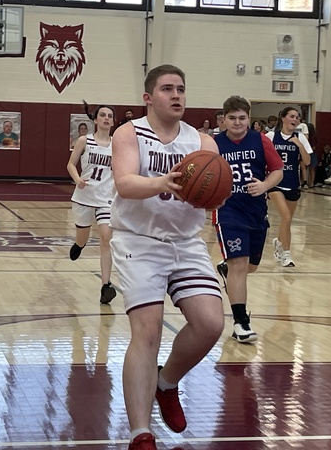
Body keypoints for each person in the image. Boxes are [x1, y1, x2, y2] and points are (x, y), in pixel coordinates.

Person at [110, 64, 224, 450]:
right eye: (167, 89)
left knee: (210, 324)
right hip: (138, 241)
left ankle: (166, 382)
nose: (176, 95)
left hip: (186, 242)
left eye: (181, 88)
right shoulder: (129, 134)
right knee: (148, 330)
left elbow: (216, 190)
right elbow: (125, 184)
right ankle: (140, 432)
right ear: (148, 97)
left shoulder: (203, 143)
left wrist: (215, 192)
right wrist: (163, 182)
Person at [213, 96, 283, 343]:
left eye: (242, 118)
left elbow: (278, 170)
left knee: (249, 266)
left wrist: (264, 185)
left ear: (249, 119)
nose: (237, 122)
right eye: (232, 118)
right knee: (240, 264)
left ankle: (226, 269)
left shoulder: (260, 140)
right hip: (227, 211)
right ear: (224, 119)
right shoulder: (214, 144)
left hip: (255, 211)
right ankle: (241, 322)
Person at [67, 105, 117, 304]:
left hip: (106, 198)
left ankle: (106, 285)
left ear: (113, 122)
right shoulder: (84, 140)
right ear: (95, 120)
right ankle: (80, 244)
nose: (106, 118)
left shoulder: (118, 145)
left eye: (110, 116)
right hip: (84, 197)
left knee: (106, 238)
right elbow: (70, 164)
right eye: (102, 115)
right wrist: (77, 178)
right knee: (83, 237)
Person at [266, 106, 312, 267]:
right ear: (283, 118)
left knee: (287, 221)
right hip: (275, 183)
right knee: (285, 217)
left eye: (298, 117)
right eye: (292, 116)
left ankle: (279, 243)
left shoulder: (300, 137)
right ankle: (286, 254)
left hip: (293, 183)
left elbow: (307, 162)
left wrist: (299, 146)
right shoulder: (271, 136)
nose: (295, 119)